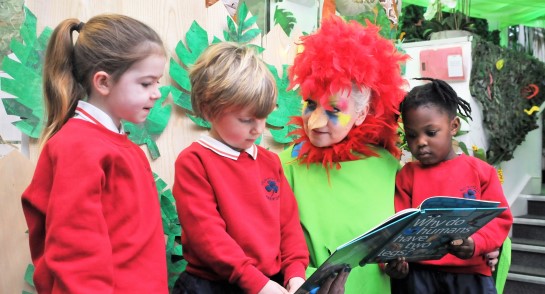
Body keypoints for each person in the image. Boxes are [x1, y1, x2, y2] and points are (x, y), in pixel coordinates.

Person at [21, 14, 168, 293]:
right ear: (103, 82)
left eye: (157, 82)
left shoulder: (123, 146)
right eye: (147, 83)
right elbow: (75, 254)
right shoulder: (78, 146)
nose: (157, 93)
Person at [279, 16, 408, 293]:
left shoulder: (388, 167)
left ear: (361, 113)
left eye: (334, 110)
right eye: (310, 104)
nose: (314, 122)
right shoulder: (283, 165)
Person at [172, 42, 309, 294]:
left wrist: (295, 275)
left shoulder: (270, 161)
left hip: (270, 283)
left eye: (264, 116)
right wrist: (257, 283)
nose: (258, 129)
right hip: (213, 286)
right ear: (209, 108)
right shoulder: (194, 161)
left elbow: (288, 227)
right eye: (246, 120)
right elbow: (208, 238)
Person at [386, 78, 513, 293]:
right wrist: (395, 261)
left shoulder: (481, 171)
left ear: (453, 126)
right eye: (412, 135)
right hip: (419, 276)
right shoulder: (407, 176)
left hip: (471, 277)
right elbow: (398, 226)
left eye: (431, 132)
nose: (421, 142)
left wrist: (476, 242)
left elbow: (500, 219)